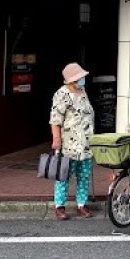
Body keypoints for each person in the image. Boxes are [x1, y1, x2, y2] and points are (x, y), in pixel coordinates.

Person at [49, 62, 95, 220]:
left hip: (86, 144)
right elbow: (55, 120)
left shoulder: (83, 92)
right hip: (69, 144)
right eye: (80, 77)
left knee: (84, 175)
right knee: (63, 176)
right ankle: (59, 206)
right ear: (72, 80)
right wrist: (56, 140)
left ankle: (82, 204)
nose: (83, 79)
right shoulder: (61, 94)